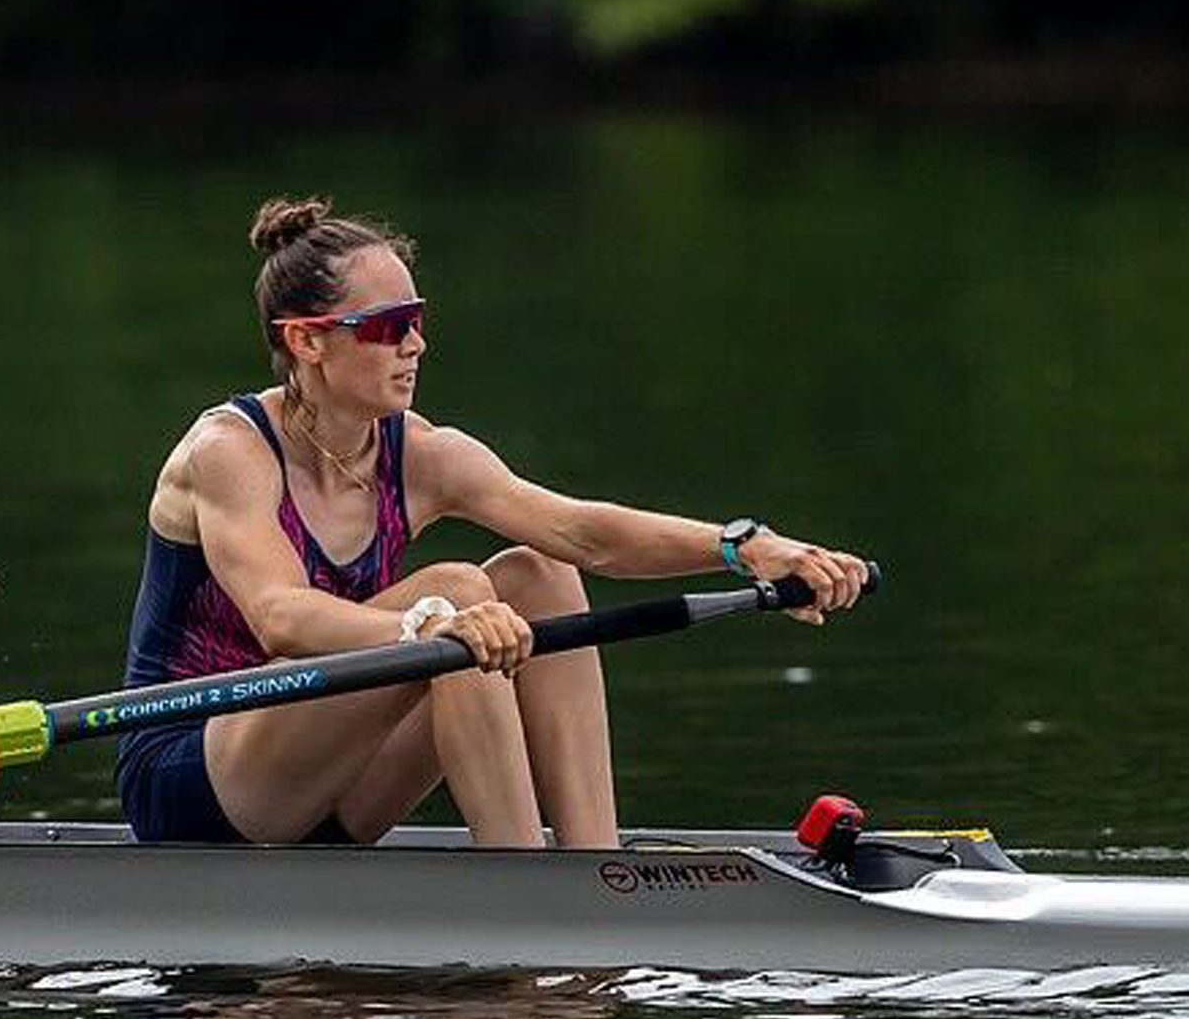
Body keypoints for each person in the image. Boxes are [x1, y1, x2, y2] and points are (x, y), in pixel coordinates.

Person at [118, 196, 869, 849]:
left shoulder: (421, 454)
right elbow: (280, 615)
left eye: (417, 319)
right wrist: (430, 621)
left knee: (538, 572)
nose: (416, 344)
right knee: (458, 590)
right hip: (196, 774)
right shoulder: (227, 450)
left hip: (338, 782)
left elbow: (584, 532)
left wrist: (744, 547)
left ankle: (587, 864)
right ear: (306, 339)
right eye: (388, 326)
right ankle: (524, 885)